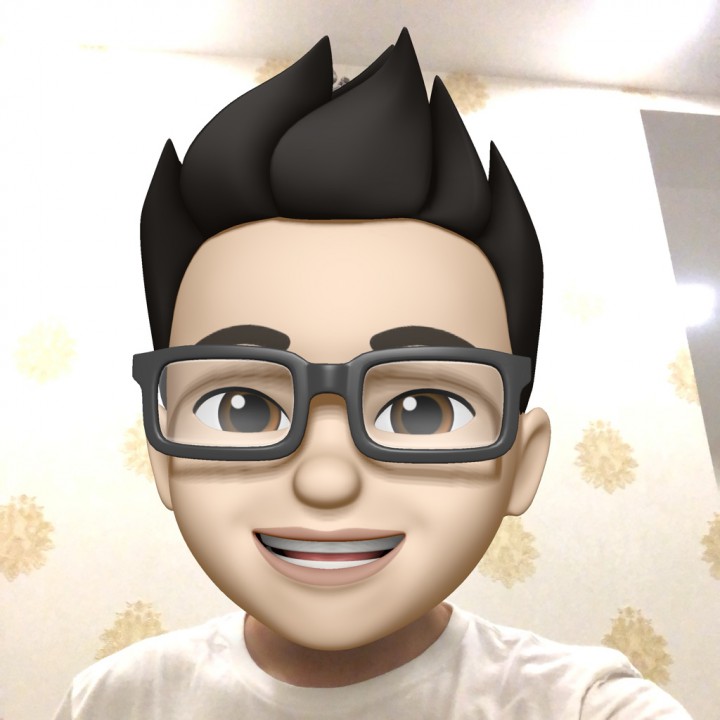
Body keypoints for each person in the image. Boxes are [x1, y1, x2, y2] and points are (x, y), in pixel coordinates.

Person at [53, 29, 692, 719]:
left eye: (422, 408)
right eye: (242, 407)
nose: (327, 481)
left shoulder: (581, 704)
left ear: (521, 461)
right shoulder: (113, 701)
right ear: (162, 455)